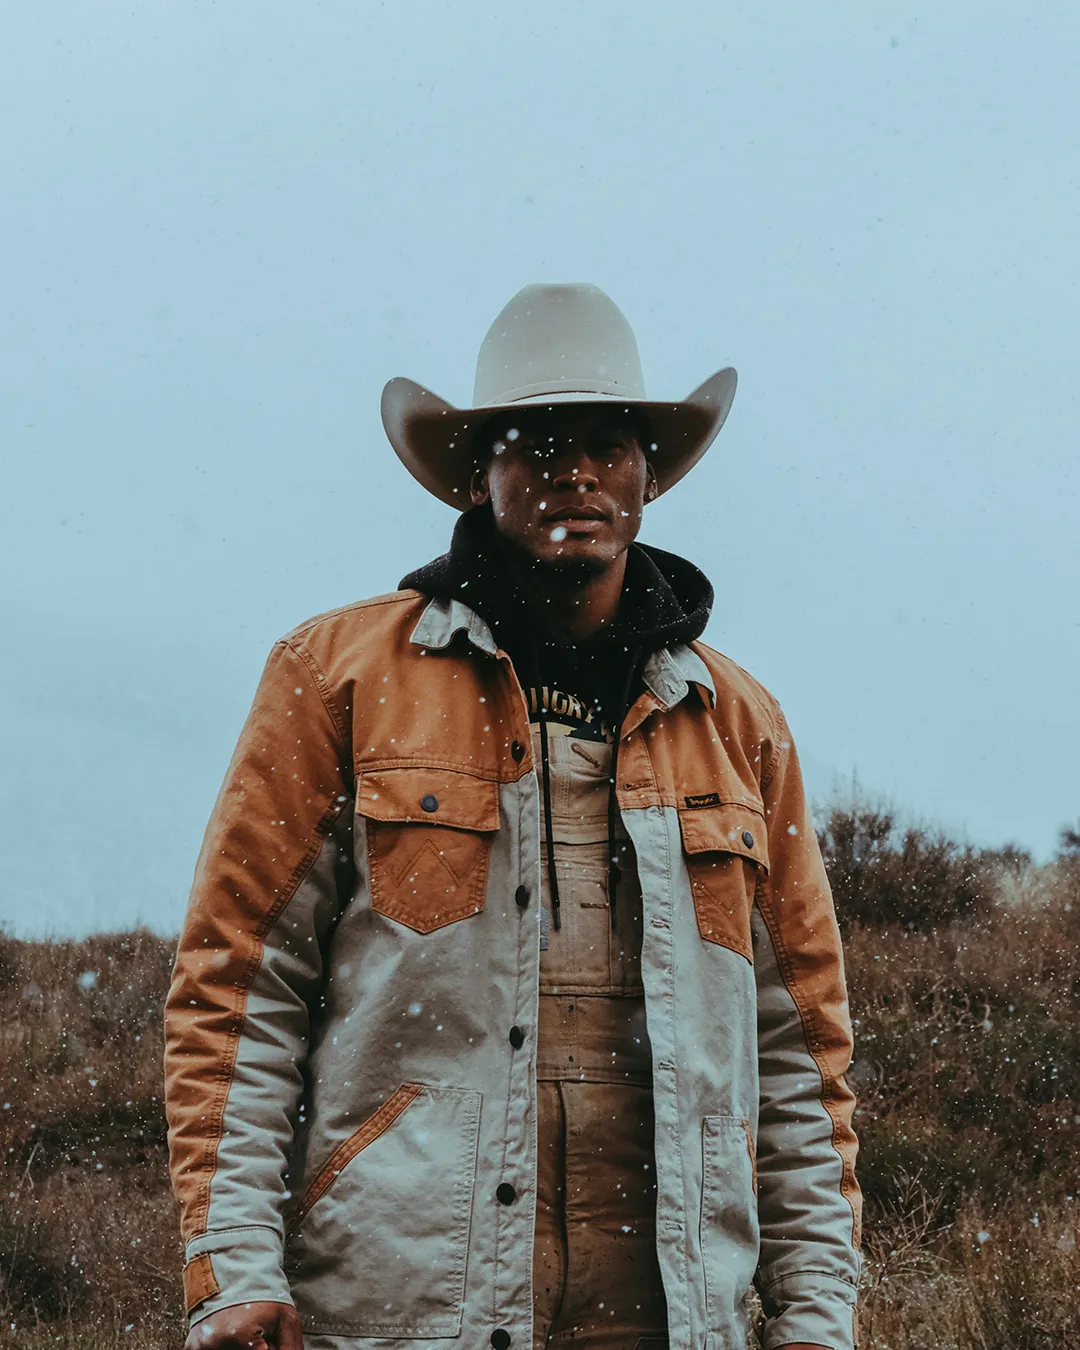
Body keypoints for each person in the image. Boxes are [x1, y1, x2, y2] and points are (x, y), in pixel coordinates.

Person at [164, 282, 862, 1350]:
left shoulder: (741, 725)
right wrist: (235, 1267)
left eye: (605, 443)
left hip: (672, 1317)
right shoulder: (337, 677)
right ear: (480, 473)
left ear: (648, 476)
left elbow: (798, 1051)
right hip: (402, 1313)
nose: (573, 472)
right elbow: (240, 996)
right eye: (536, 445)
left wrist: (817, 1312)